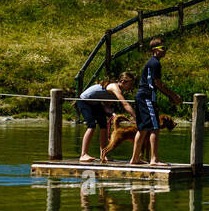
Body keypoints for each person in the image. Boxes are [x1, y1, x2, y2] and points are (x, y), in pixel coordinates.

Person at [131, 38, 183, 166]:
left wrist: (170, 96)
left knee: (142, 128)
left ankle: (134, 159)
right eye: (162, 48)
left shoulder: (152, 62)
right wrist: (174, 96)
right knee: (155, 127)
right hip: (147, 97)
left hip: (143, 96)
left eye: (165, 48)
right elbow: (157, 83)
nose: (165, 51)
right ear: (154, 50)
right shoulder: (155, 63)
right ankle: (154, 159)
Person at [77, 72, 136, 163]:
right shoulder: (115, 87)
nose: (131, 86)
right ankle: (83, 154)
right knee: (91, 126)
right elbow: (125, 104)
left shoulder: (117, 92)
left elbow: (106, 106)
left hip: (95, 103)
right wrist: (135, 117)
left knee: (103, 126)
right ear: (123, 82)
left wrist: (112, 113)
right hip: (84, 101)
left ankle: (103, 154)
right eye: (130, 84)